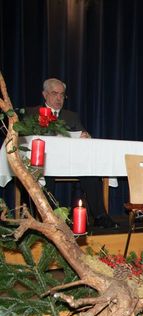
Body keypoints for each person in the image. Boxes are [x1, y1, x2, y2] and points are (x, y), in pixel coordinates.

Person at [26, 78, 117, 229]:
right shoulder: (32, 113)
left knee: (91, 171)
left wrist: (85, 136)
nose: (59, 98)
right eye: (55, 93)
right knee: (44, 172)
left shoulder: (71, 116)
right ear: (45, 94)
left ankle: (100, 216)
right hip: (44, 161)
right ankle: (50, 218)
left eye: (62, 95)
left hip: (70, 162)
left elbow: (84, 136)